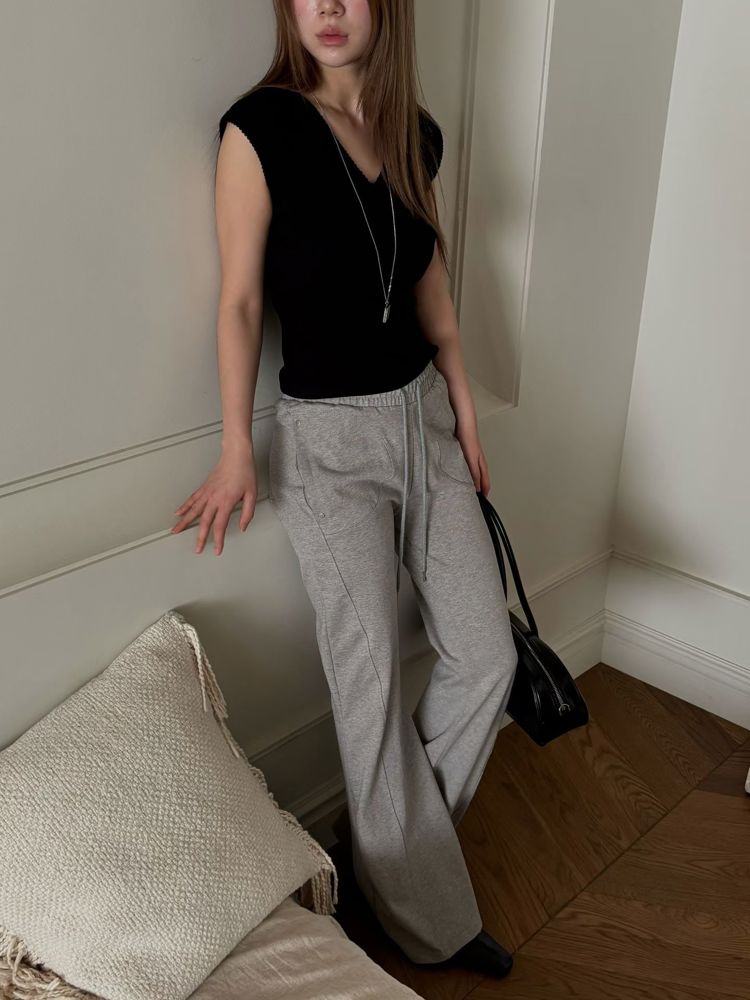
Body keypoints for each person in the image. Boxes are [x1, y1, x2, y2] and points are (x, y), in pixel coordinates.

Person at [172, 0, 517, 979]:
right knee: (369, 688)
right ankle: (428, 920)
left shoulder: (415, 133)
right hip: (329, 442)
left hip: (426, 419)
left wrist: (466, 410)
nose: (327, 5)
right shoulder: (260, 128)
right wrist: (237, 446)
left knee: (486, 656)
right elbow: (241, 300)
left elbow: (431, 283)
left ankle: (383, 862)